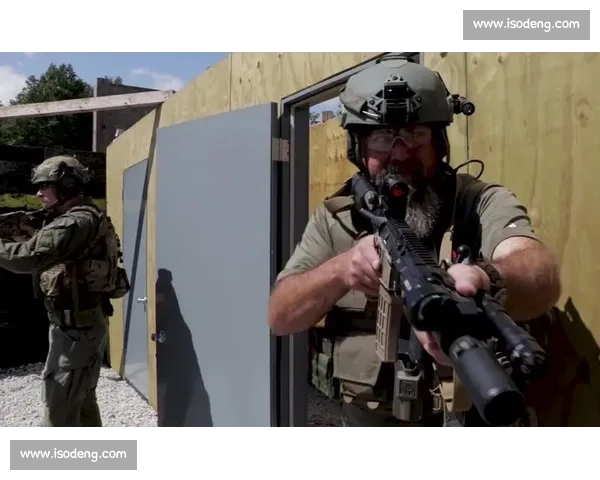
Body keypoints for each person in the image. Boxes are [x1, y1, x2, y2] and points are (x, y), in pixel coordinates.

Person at [268, 54, 561, 431]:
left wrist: (485, 277)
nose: (400, 152)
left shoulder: (477, 202)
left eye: (415, 133)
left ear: (439, 141)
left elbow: (539, 273)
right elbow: (280, 316)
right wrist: (340, 271)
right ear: (358, 147)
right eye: (383, 136)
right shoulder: (337, 218)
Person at [0, 155, 130, 430]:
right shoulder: (86, 216)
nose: (39, 193)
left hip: (76, 330)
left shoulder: (76, 222)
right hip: (80, 325)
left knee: (59, 412)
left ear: (67, 185)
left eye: (44, 186)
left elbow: (26, 258)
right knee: (81, 401)